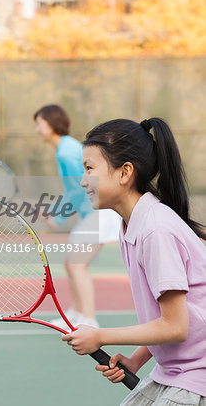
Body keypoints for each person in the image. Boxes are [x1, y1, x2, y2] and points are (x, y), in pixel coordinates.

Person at [62, 117, 206, 405]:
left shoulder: (155, 229)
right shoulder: (132, 224)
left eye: (89, 168)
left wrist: (100, 336)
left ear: (124, 172)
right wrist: (137, 359)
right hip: (173, 371)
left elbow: (176, 326)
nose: (82, 180)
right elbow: (168, 318)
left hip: (197, 376)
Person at [34, 104, 120, 330]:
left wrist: (56, 217)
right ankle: (76, 313)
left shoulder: (66, 151)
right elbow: (73, 188)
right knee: (71, 263)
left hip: (99, 213)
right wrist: (52, 210)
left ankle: (88, 319)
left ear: (52, 124)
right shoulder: (66, 148)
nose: (37, 129)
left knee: (76, 265)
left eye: (40, 123)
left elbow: (82, 186)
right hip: (92, 213)